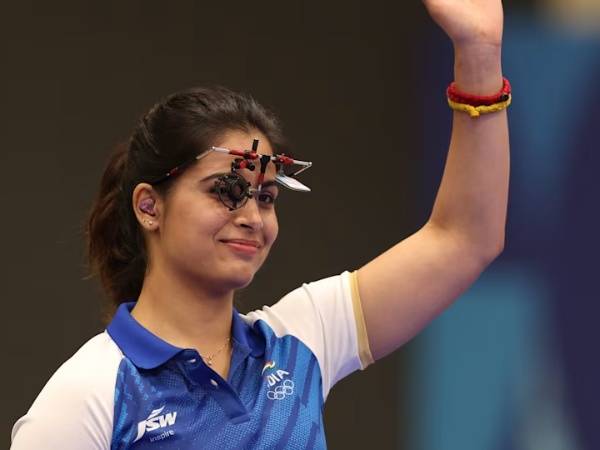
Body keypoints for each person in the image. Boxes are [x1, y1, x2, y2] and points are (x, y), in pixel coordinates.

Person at [10, 0, 510, 448]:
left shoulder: (301, 340)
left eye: (267, 195)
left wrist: (480, 55)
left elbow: (464, 238)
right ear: (148, 207)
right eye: (225, 191)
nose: (251, 216)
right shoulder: (88, 396)